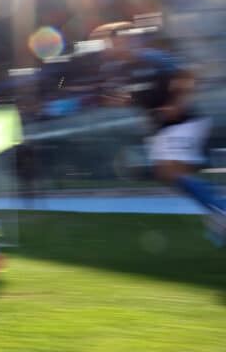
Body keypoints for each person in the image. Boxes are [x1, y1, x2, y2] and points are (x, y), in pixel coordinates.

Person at [94, 22, 226, 245]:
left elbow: (189, 74)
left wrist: (176, 103)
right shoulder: (122, 71)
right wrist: (117, 103)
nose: (115, 46)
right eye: (111, 43)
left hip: (183, 122)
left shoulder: (152, 58)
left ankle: (220, 209)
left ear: (128, 40)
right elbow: (136, 98)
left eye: (118, 41)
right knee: (169, 174)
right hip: (161, 130)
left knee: (169, 170)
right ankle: (218, 213)